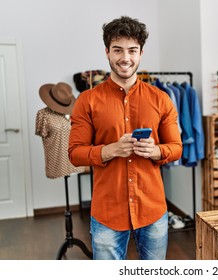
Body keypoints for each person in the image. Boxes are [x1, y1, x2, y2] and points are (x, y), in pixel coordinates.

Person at [68, 16, 182, 260]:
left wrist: (156, 151)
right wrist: (109, 150)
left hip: (152, 209)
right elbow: (75, 153)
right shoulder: (87, 100)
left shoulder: (161, 99)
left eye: (132, 50)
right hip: (107, 212)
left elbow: (176, 148)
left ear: (141, 53)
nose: (125, 58)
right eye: (118, 50)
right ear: (107, 52)